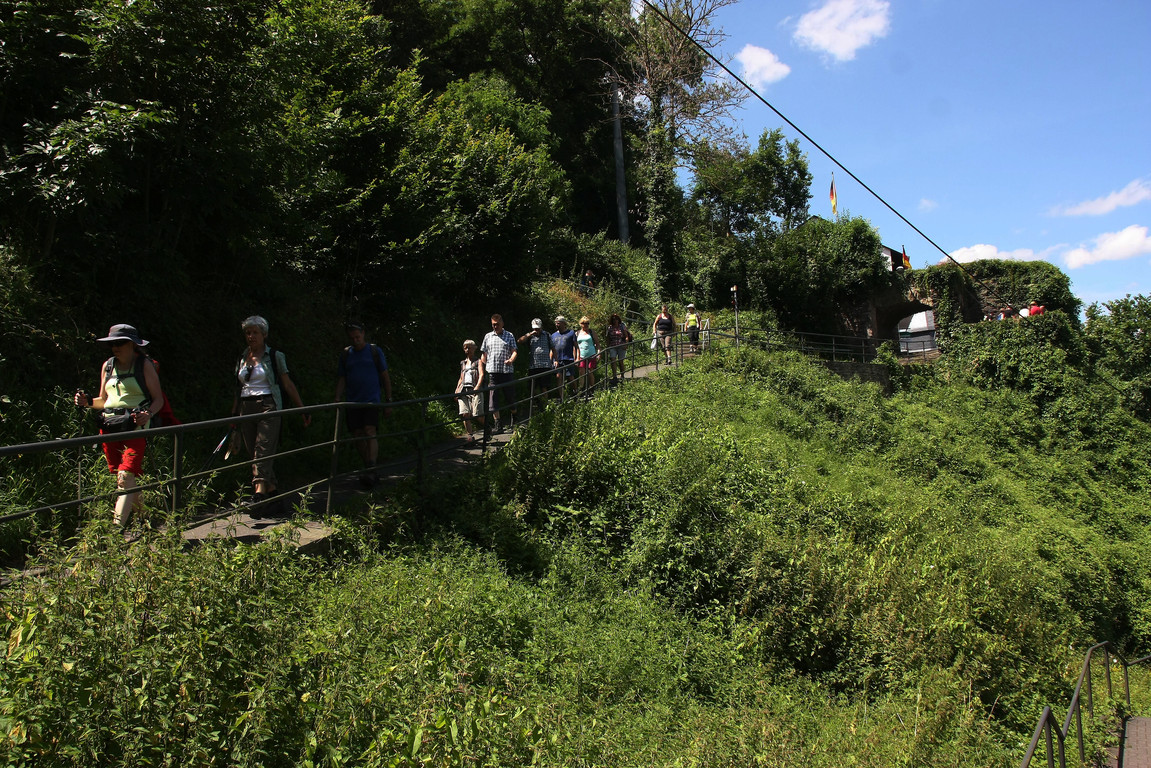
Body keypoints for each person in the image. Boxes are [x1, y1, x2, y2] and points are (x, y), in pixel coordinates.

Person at [73, 324, 165, 530]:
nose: (115, 347)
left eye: (120, 342)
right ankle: (147, 523)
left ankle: (115, 533)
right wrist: (86, 402)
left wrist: (148, 414)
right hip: (109, 428)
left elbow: (158, 399)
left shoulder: (144, 365)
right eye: (112, 343)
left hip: (135, 427)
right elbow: (103, 400)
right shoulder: (108, 366)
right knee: (125, 479)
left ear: (133, 345)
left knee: (125, 477)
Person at [231, 315, 310, 513]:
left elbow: (287, 384)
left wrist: (302, 409)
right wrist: (234, 415)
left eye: (255, 332)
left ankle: (258, 496)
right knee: (254, 453)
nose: (251, 336)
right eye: (248, 333)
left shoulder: (275, 356)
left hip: (268, 405)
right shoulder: (242, 357)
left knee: (262, 451)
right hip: (246, 408)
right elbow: (238, 388)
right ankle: (274, 496)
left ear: (264, 334)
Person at [335, 322, 393, 485]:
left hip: (371, 400)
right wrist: (337, 397)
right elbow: (342, 377)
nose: (355, 340)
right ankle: (369, 467)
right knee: (358, 435)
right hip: (353, 401)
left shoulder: (374, 351)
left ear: (363, 334)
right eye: (352, 338)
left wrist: (388, 400)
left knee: (369, 431)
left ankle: (371, 467)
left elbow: (385, 376)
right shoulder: (346, 354)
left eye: (358, 337)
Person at [479, 313, 518, 433]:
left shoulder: (509, 335)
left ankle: (515, 418)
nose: (495, 327)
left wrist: (511, 360)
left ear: (502, 323)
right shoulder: (488, 336)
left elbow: (514, 351)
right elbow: (484, 354)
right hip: (493, 372)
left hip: (506, 372)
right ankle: (498, 425)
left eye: (497, 324)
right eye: (493, 325)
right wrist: (483, 365)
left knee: (510, 397)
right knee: (493, 400)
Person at [519, 318, 554, 409]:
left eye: (538, 328)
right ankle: (538, 403)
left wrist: (555, 360)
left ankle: (545, 406)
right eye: (535, 328)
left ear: (541, 327)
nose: (536, 330)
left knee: (544, 387)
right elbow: (519, 341)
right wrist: (529, 334)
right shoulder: (530, 336)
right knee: (531, 387)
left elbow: (553, 348)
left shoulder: (547, 335)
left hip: (545, 365)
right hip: (533, 366)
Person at [454, 339, 485, 442]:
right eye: (466, 348)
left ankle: (487, 427)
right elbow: (461, 378)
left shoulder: (478, 361)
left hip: (475, 389)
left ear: (474, 349)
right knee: (465, 413)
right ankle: (470, 436)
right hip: (463, 390)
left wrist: (477, 387)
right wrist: (457, 390)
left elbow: (481, 374)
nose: (467, 350)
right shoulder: (463, 363)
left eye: (470, 348)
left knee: (477, 415)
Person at [550, 315, 577, 395]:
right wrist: (550, 360)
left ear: (564, 323)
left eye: (558, 323)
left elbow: (576, 347)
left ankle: (576, 392)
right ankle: (562, 397)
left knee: (570, 377)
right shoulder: (553, 335)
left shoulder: (571, 333)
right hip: (557, 360)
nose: (556, 325)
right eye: (556, 323)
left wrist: (577, 358)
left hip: (568, 359)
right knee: (558, 377)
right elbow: (552, 349)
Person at [574, 316, 601, 397]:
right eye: (584, 323)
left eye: (587, 323)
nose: (585, 325)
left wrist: (599, 353)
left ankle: (591, 388)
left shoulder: (592, 332)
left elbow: (597, 344)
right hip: (581, 355)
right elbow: (575, 346)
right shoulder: (577, 333)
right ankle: (581, 389)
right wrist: (575, 357)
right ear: (580, 324)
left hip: (591, 354)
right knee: (581, 372)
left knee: (590, 372)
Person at [605, 313, 633, 384]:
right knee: (613, 360)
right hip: (613, 345)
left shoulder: (622, 326)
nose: (615, 320)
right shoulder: (610, 328)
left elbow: (626, 336)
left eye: (616, 319)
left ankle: (622, 375)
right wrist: (607, 347)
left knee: (620, 361)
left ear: (618, 319)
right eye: (613, 319)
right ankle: (614, 376)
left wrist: (626, 344)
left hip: (621, 345)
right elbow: (608, 338)